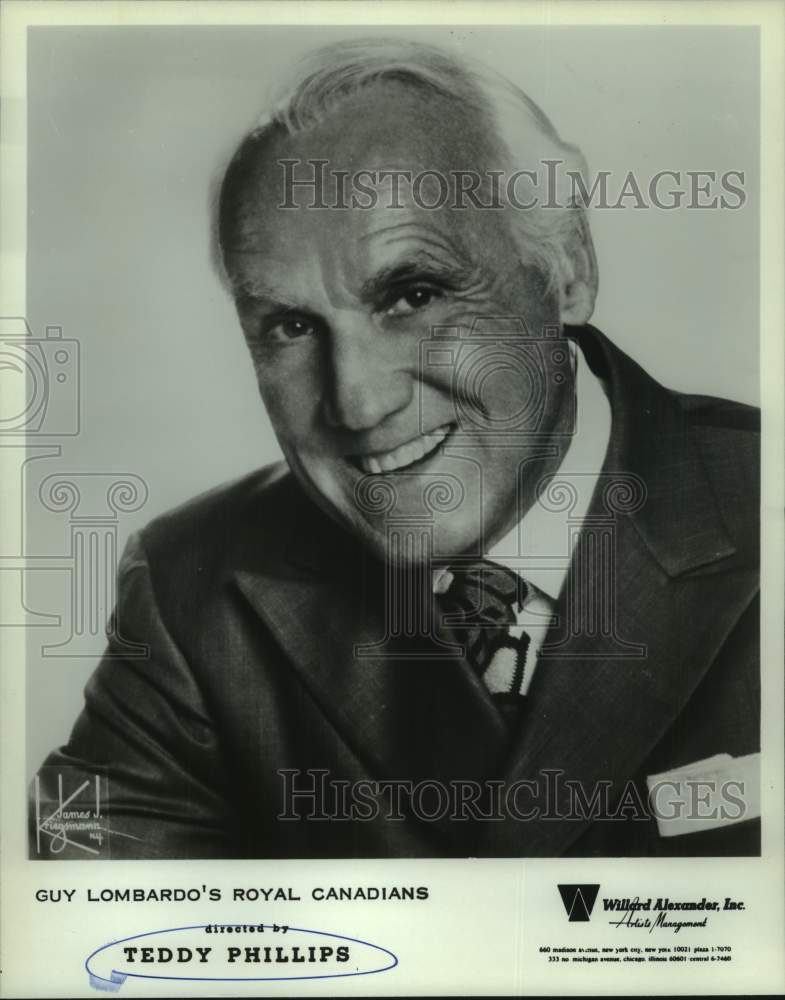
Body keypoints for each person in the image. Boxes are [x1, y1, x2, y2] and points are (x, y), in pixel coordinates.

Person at [31, 39, 760, 859]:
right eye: (290, 326)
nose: (358, 402)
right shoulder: (191, 587)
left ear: (566, 269)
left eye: (413, 296)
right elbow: (85, 880)